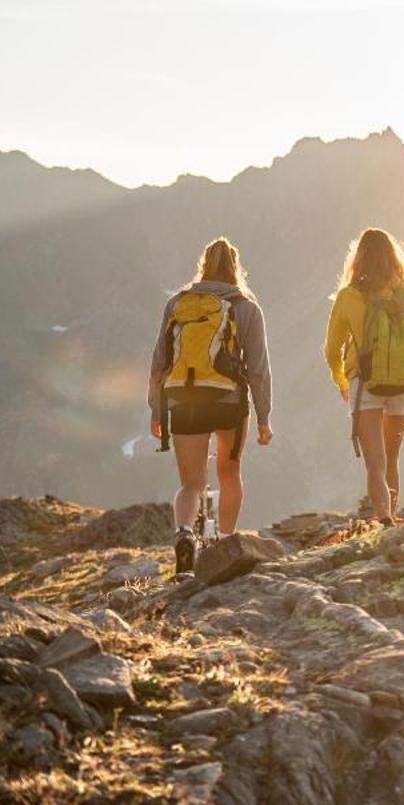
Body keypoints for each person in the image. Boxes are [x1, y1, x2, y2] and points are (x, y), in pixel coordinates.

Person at [148, 237, 274, 570]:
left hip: (184, 398)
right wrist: (264, 417)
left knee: (191, 484)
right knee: (229, 474)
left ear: (202, 266)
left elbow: (159, 361)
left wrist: (156, 409)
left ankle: (186, 533)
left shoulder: (178, 304)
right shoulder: (246, 307)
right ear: (236, 267)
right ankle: (224, 541)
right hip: (228, 400)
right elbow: (259, 369)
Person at [324, 228, 404, 523]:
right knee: (392, 459)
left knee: (375, 462)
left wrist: (342, 380)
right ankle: (392, 520)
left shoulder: (348, 296)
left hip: (364, 385)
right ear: (393, 258)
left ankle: (383, 517)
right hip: (402, 385)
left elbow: (331, 349)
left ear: (358, 259)